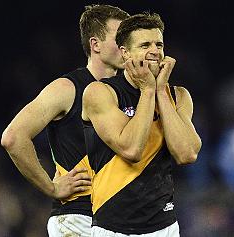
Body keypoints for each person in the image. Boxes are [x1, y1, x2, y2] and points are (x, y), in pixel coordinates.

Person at [1, 5, 129, 237]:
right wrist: (51, 187)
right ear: (95, 44)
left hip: (119, 219)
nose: (125, 45)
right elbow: (13, 137)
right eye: (119, 37)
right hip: (78, 219)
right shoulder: (67, 88)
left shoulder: (128, 93)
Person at [82, 13, 202, 236]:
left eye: (159, 44)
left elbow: (187, 154)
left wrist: (160, 91)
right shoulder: (101, 92)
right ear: (125, 53)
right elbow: (131, 149)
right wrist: (147, 90)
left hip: (164, 227)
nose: (155, 51)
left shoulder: (178, 96)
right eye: (145, 44)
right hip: (113, 228)